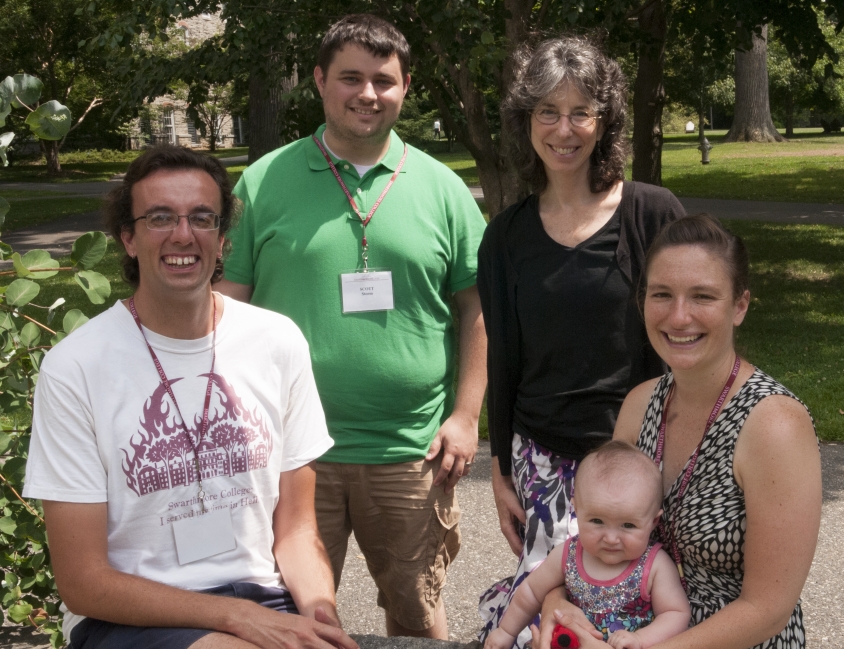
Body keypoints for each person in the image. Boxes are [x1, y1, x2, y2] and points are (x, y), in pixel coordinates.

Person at [216, 14, 487, 640]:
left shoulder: (443, 189)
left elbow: (477, 308)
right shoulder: (263, 181)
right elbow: (226, 304)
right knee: (293, 620)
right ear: (318, 81)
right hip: (290, 452)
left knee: (416, 617)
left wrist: (467, 415)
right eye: (351, 78)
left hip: (412, 449)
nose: (368, 94)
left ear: (405, 86)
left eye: (384, 81)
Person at [22, 146, 358, 649]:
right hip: (131, 615)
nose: (183, 235)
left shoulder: (277, 341)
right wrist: (235, 618)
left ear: (222, 239)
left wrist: (319, 612)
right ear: (128, 238)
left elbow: (295, 531)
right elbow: (82, 580)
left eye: (202, 218)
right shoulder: (76, 367)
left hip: (262, 598)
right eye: (160, 218)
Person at [477, 36, 685, 646]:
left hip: (640, 460)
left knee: (637, 616)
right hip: (542, 459)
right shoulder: (507, 236)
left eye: (580, 112)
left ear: (605, 121)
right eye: (547, 111)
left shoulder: (652, 214)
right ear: (527, 121)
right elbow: (503, 357)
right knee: (546, 618)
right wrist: (499, 466)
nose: (563, 129)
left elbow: (686, 329)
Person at [535, 214, 822, 649]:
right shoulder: (640, 403)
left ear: (739, 306)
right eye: (662, 294)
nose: (679, 315)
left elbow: (768, 609)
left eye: (703, 296)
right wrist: (559, 602)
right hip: (632, 630)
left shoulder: (774, 425)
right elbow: (594, 542)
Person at [484, 442, 691, 649]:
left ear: (653, 522)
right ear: (577, 511)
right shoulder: (568, 554)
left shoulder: (654, 565)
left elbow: (676, 613)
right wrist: (506, 631)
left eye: (628, 525)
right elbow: (530, 591)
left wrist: (640, 639)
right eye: (597, 521)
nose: (611, 538)